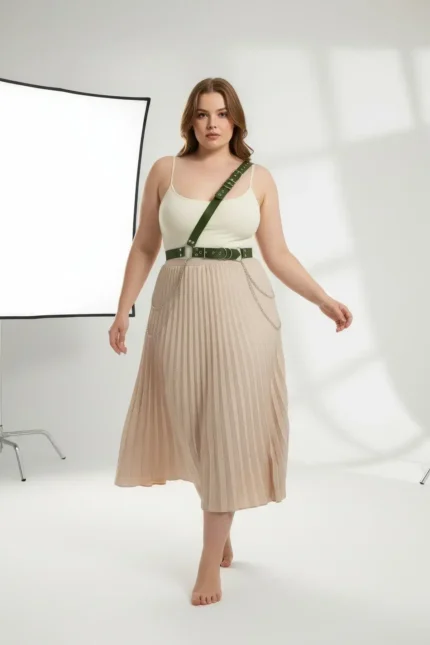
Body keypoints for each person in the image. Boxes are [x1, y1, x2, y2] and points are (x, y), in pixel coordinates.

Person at [109, 77, 353, 607]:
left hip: (245, 312)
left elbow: (278, 253)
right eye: (202, 114)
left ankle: (208, 560)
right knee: (192, 424)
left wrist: (322, 298)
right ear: (190, 121)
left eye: (221, 113)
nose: (212, 123)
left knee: (227, 427)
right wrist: (123, 309)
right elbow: (146, 246)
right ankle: (221, 522)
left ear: (235, 119)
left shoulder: (257, 177)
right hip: (178, 309)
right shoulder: (165, 171)